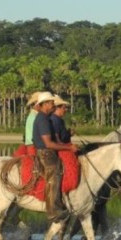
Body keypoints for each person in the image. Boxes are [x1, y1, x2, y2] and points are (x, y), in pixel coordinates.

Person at [31, 91, 78, 223]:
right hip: (45, 153)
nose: (53, 105)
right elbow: (48, 143)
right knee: (55, 173)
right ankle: (53, 212)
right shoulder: (43, 119)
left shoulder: (44, 118)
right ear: (45, 104)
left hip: (46, 151)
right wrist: (69, 148)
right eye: (51, 103)